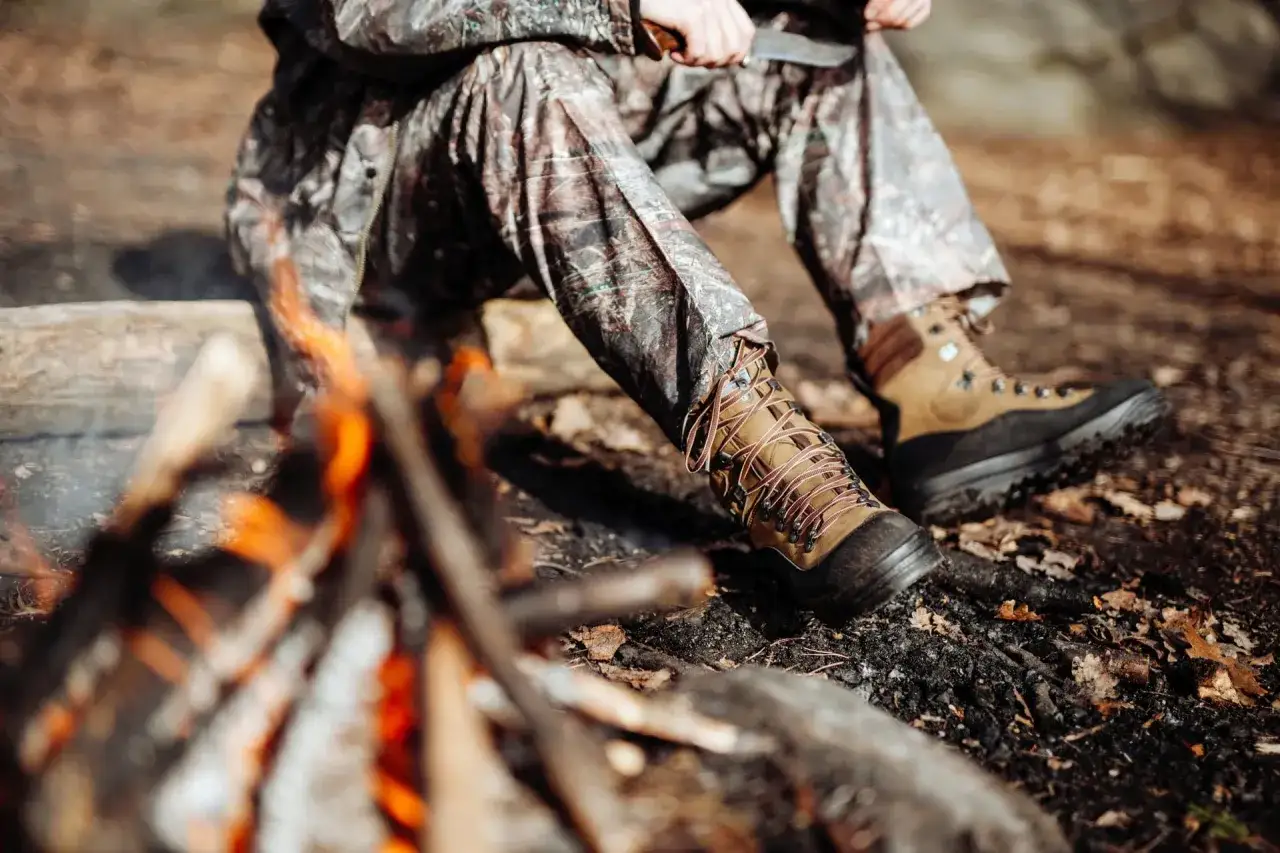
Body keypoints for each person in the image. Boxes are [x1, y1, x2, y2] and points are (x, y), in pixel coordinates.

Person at [226, 0, 1168, 624]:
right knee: (518, 72)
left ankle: (931, 381)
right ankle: (760, 454)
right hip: (360, 208)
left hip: (549, 165)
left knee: (820, 48)